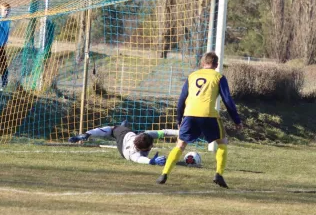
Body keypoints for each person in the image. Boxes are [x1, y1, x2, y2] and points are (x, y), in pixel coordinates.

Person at [157, 51, 243, 188]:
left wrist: (179, 120)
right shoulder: (219, 77)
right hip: (209, 115)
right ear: (216, 64)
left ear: (202, 63)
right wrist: (237, 120)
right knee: (222, 143)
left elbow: (181, 100)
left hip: (190, 114)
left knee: (180, 145)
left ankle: (164, 173)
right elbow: (228, 100)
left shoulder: (192, 76)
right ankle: (219, 174)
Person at [69, 120, 179, 165]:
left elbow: (164, 132)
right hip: (123, 141)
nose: (152, 146)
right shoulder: (132, 154)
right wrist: (151, 161)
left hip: (129, 134)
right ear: (142, 149)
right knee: (112, 130)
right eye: (150, 147)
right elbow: (140, 159)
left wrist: (181, 133)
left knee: (117, 128)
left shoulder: (146, 134)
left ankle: (88, 134)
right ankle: (87, 134)